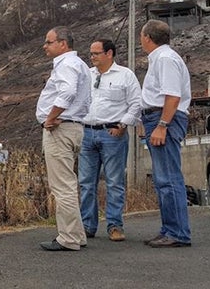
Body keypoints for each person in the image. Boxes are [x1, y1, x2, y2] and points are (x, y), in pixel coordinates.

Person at [79, 39, 141, 242]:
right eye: (91, 53)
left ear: (109, 53)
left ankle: (114, 225)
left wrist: (123, 125)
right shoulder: (87, 75)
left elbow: (136, 103)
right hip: (87, 133)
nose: (92, 57)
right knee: (86, 183)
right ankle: (88, 225)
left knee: (114, 182)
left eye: (96, 53)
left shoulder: (125, 75)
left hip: (112, 134)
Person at [35, 26, 91, 251]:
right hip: (73, 127)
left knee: (62, 187)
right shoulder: (81, 65)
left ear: (63, 43)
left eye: (49, 42)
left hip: (61, 129)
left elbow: (67, 92)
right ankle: (77, 235)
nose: (45, 46)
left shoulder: (66, 65)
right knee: (68, 183)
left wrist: (51, 117)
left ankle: (68, 238)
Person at [139, 19, 192, 248]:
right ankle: (169, 228)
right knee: (163, 179)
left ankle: (177, 232)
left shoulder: (165, 59)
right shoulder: (161, 59)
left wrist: (162, 125)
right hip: (157, 118)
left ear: (147, 38)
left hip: (165, 119)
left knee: (168, 178)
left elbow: (172, 96)